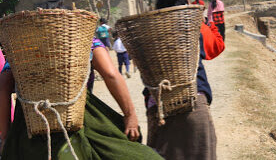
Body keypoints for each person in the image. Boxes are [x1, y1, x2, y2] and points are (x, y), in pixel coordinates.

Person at [0, 38, 163, 160]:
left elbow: (2, 89)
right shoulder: (86, 40)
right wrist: (130, 115)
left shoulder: (21, 48)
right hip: (82, 120)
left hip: (30, 129)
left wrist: (7, 137)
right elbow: (111, 75)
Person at [144, 0, 225, 160]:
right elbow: (216, 47)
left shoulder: (144, 33)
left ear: (156, 7)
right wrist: (207, 22)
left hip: (158, 109)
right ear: (187, 3)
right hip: (194, 103)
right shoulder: (193, 26)